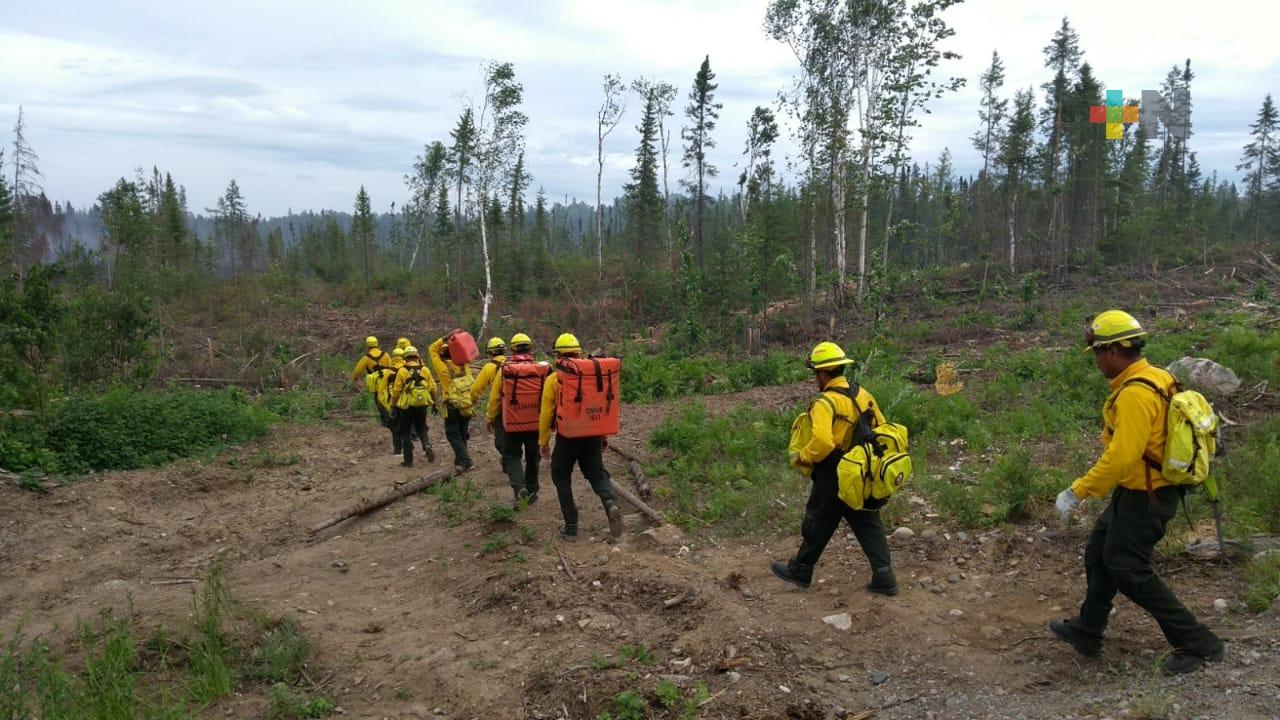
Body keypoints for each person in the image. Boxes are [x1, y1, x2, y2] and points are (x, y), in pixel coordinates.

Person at [1051, 310, 1224, 675]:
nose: (1097, 361)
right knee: (1100, 553)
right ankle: (1088, 630)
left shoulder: (1133, 395)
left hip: (1148, 495)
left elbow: (1121, 457)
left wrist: (1078, 491)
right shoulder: (1157, 375)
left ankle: (1199, 644)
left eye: (1098, 353)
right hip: (1138, 491)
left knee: (1127, 567)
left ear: (1114, 351)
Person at [771, 341, 898, 596]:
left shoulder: (825, 403)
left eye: (815, 374)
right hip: (860, 468)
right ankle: (884, 575)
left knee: (818, 519)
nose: (815, 379)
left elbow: (822, 442)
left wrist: (803, 458)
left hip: (833, 470)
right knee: (865, 519)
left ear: (823, 374)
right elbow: (882, 428)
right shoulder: (864, 395)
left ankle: (801, 570)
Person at [539, 333, 623, 541]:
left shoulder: (553, 379)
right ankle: (610, 504)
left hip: (567, 438)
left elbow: (546, 414)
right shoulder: (593, 376)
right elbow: (600, 406)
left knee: (560, 476)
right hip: (592, 435)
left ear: (557, 355)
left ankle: (571, 526)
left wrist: (543, 442)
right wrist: (602, 435)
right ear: (578, 352)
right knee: (596, 475)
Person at [497, 333, 543, 506]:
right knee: (533, 457)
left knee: (511, 456)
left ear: (512, 349)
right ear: (530, 348)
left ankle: (519, 488)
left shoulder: (506, 369)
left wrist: (489, 417)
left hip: (512, 424)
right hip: (535, 424)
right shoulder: (541, 370)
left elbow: (495, 396)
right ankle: (532, 491)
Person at [429, 331, 476, 472]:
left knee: (452, 433)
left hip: (452, 405)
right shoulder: (465, 366)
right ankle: (460, 460)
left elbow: (431, 349)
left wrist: (445, 337)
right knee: (462, 433)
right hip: (466, 404)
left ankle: (466, 461)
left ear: (442, 354)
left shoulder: (443, 368)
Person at [471, 337, 511, 489]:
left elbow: (476, 389)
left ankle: (509, 461)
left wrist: (472, 402)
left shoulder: (489, 368)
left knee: (499, 440)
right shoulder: (512, 364)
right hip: (516, 407)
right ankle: (511, 459)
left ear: (491, 353)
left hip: (499, 409)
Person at [390, 346, 437, 468]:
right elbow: (433, 388)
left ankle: (408, 461)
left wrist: (393, 406)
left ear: (405, 358)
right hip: (422, 405)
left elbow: (396, 391)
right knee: (421, 427)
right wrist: (434, 403)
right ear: (417, 357)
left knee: (405, 432)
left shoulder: (402, 371)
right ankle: (427, 445)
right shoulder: (425, 370)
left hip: (406, 406)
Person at [373, 347, 405, 454]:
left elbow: (381, 389)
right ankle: (408, 447)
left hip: (393, 403)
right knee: (406, 425)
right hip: (407, 402)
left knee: (394, 426)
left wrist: (379, 402)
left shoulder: (387, 372)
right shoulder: (407, 370)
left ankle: (397, 449)